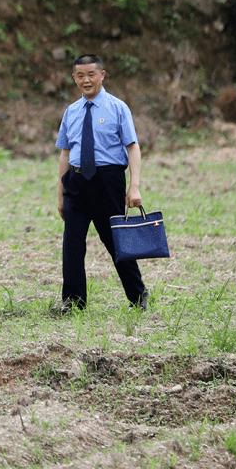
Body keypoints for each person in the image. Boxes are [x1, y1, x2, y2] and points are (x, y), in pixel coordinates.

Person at [55, 54, 149, 311]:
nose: (86, 80)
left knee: (115, 240)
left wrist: (134, 186)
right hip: (76, 181)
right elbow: (65, 153)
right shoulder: (71, 112)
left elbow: (133, 147)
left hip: (107, 181)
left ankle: (137, 295)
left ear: (102, 75)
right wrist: (60, 193)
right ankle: (73, 301)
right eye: (80, 76)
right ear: (74, 78)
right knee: (72, 244)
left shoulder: (118, 108)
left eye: (91, 74)